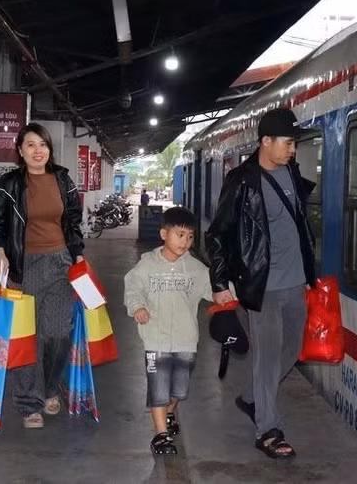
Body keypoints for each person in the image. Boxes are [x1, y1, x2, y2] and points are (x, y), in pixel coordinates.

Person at [205, 108, 317, 459]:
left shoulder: (291, 173)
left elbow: (298, 224)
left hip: (296, 282)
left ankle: (252, 397)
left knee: (293, 350)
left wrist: (309, 274)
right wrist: (220, 281)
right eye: (287, 142)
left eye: (294, 143)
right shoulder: (241, 180)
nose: (292, 149)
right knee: (267, 359)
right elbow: (218, 233)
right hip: (262, 284)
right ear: (265, 142)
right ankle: (268, 429)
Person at [0, 123, 84, 429]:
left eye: (42, 144)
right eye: (30, 145)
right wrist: (0, 251)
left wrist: (78, 254)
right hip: (22, 265)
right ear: (20, 151)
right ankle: (30, 402)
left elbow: (73, 221)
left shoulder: (63, 179)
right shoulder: (9, 184)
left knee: (57, 332)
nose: (37, 150)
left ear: (49, 149)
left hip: (59, 262)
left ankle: (51, 387)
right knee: (27, 336)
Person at [124, 207, 213, 455]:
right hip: (155, 339)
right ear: (164, 234)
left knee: (178, 390)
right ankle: (160, 434)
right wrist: (138, 307)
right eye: (180, 234)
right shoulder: (146, 266)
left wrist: (235, 291)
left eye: (190, 236)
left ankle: (170, 412)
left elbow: (215, 290)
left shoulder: (196, 269)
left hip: (186, 341)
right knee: (159, 388)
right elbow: (133, 288)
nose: (185, 241)